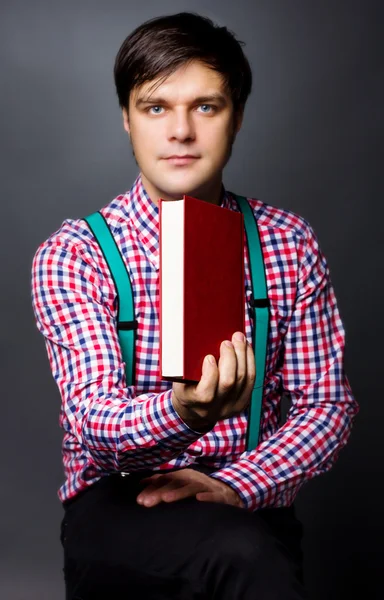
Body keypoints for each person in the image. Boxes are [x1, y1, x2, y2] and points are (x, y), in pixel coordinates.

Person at [31, 11, 359, 600]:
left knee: (250, 549)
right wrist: (183, 414)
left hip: (253, 508)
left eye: (206, 107)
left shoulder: (288, 241)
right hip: (120, 512)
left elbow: (326, 407)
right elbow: (92, 423)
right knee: (243, 557)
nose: (180, 131)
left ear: (237, 118)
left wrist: (238, 486)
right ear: (126, 121)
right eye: (156, 107)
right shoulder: (75, 253)